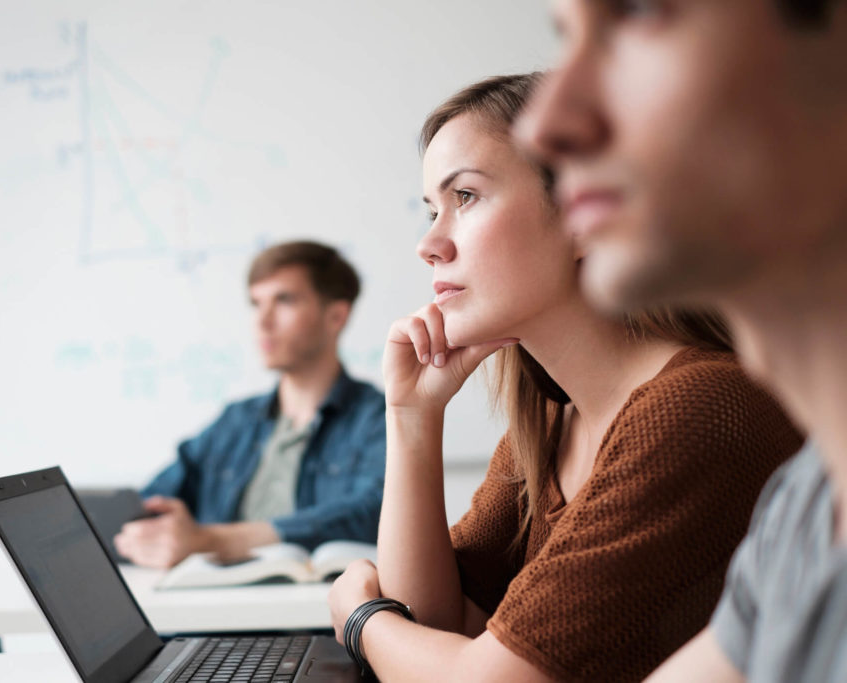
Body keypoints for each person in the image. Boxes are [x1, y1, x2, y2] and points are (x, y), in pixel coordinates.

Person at [326, 74, 803, 682]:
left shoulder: (699, 406)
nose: (429, 244)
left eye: (465, 197)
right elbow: (437, 625)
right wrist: (413, 418)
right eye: (431, 211)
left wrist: (361, 618)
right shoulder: (552, 422)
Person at [516, 1, 847, 680]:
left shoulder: (699, 406)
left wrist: (361, 616)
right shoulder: (807, 505)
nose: (545, 126)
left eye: (638, 14)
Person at [114, 241, 386, 568]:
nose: (262, 321)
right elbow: (153, 501)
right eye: (256, 304)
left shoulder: (377, 418)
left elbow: (374, 511)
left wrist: (212, 540)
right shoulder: (236, 421)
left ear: (336, 316)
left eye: (283, 301)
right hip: (215, 610)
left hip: (320, 613)